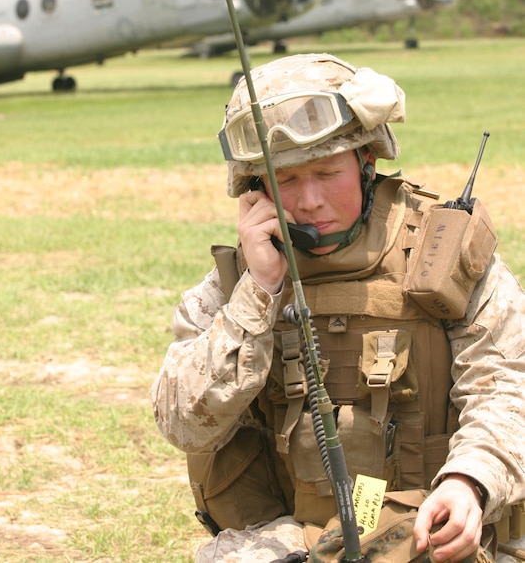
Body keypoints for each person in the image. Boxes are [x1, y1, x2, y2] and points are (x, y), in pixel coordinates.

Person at [151, 53, 525, 563]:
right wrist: (260, 289)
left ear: (367, 164)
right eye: (285, 180)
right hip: (294, 537)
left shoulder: (442, 257)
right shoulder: (239, 282)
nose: (309, 201)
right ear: (254, 190)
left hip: (435, 524)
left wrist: (470, 482)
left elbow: (507, 385)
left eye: (328, 173)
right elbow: (183, 424)